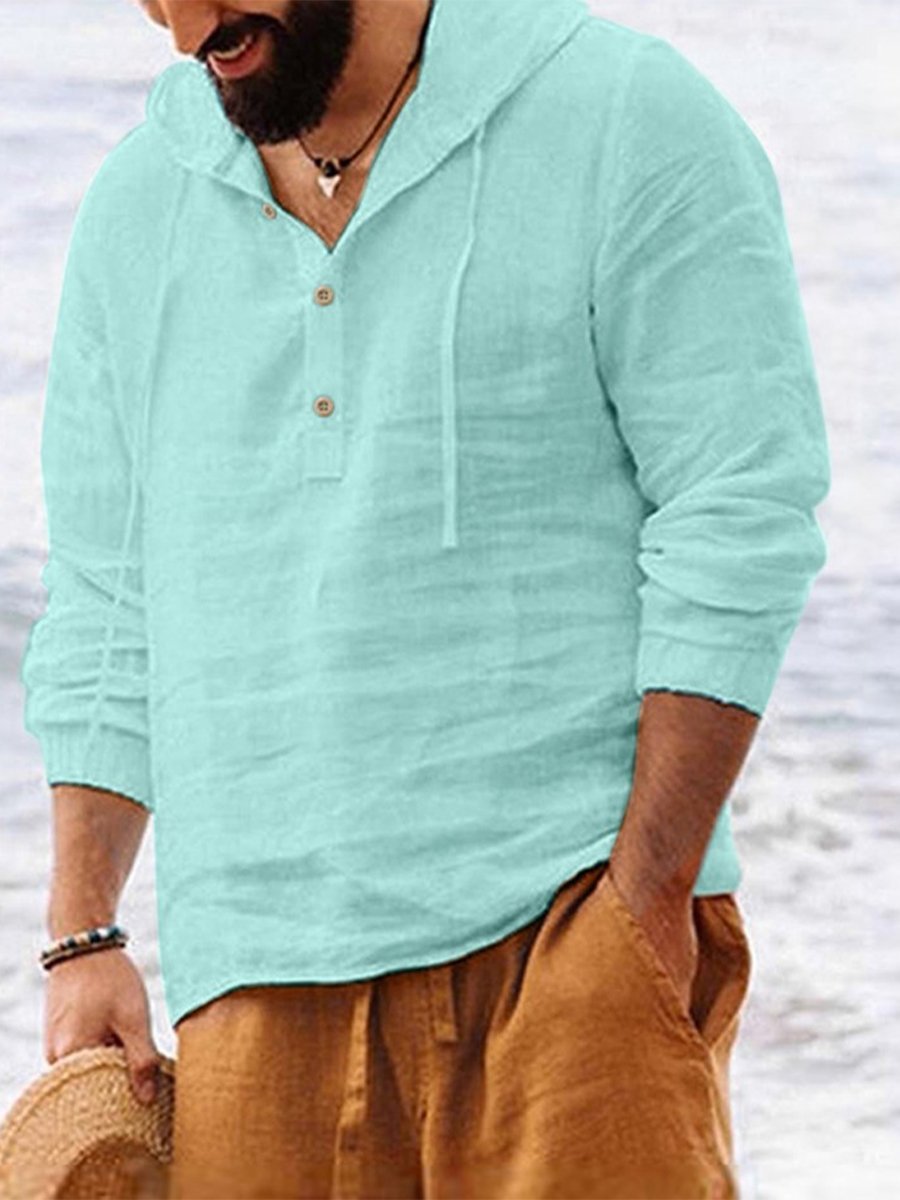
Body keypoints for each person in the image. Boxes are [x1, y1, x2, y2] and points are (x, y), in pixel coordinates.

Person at [21, 0, 831, 1196]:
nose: (182, 23)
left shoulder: (626, 118)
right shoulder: (140, 207)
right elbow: (105, 590)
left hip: (566, 947)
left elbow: (739, 505)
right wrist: (83, 932)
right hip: (251, 986)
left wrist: (650, 894)